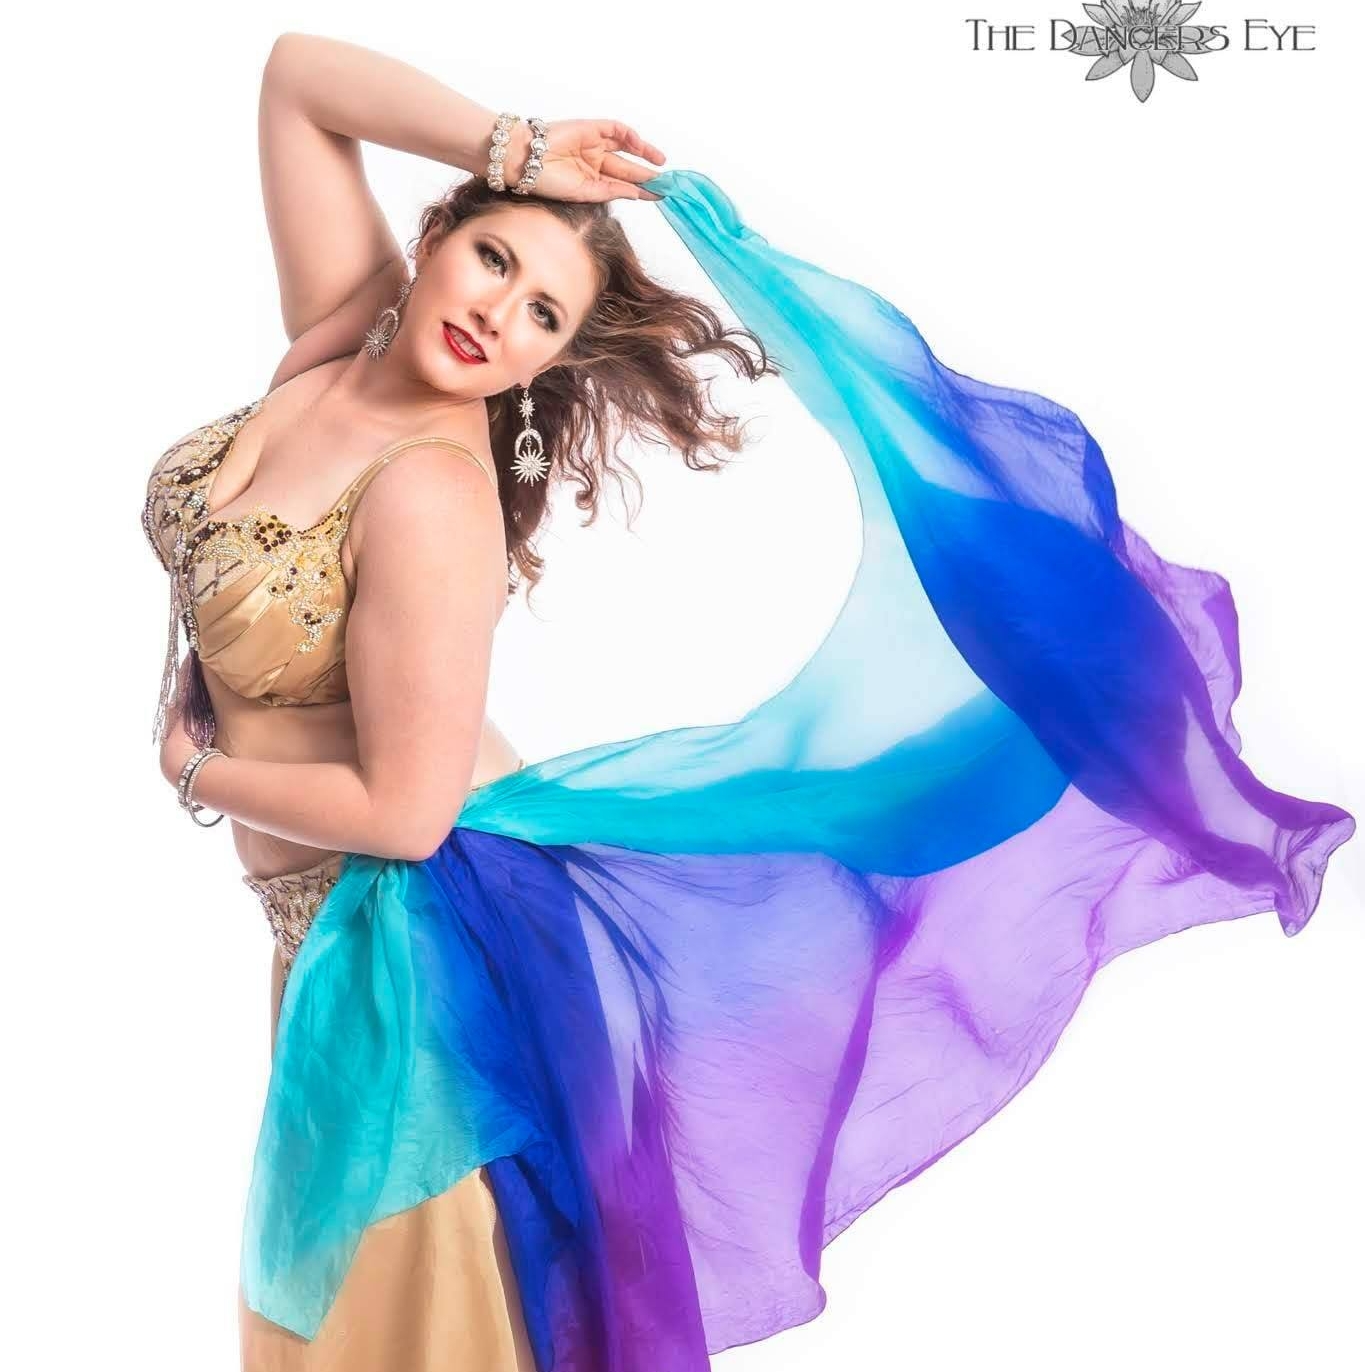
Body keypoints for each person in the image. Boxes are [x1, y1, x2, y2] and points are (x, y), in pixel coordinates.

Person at [144, 31, 1356, 1372]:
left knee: (391, 1333)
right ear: (437, 232)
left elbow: (408, 814)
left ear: (547, 365)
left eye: (541, 316)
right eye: (493, 258)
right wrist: (523, 146)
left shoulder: (432, 492)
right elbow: (297, 78)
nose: (497, 314)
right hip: (333, 936)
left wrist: (196, 772)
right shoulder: (338, 337)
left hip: (412, 956)